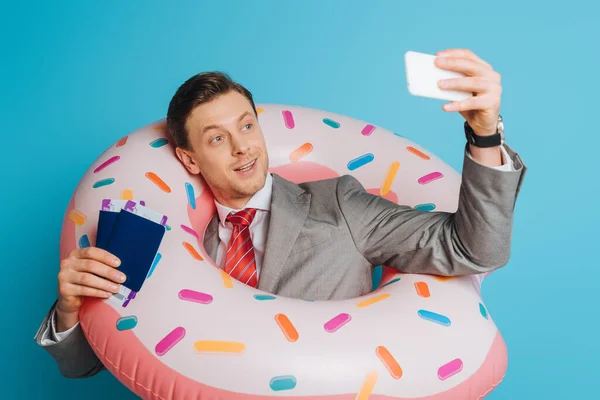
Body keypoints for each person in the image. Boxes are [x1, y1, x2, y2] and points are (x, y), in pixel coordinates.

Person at [35, 48, 527, 379]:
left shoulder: (339, 202)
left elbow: (474, 247)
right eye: (216, 138)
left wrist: (485, 133)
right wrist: (70, 310)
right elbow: (89, 366)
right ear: (188, 160)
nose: (241, 147)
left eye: (246, 125)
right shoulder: (164, 242)